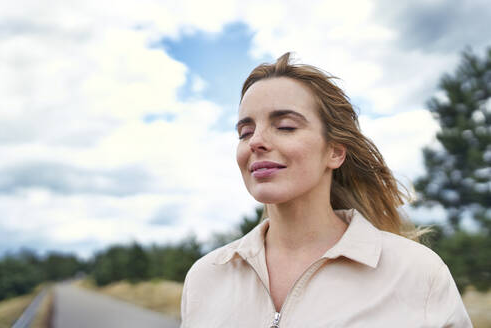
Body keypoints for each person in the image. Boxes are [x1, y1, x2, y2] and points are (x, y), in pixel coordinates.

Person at [180, 53, 472, 327]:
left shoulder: (419, 274)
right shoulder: (206, 277)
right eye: (245, 132)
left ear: (334, 152)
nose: (256, 141)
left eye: (285, 126)